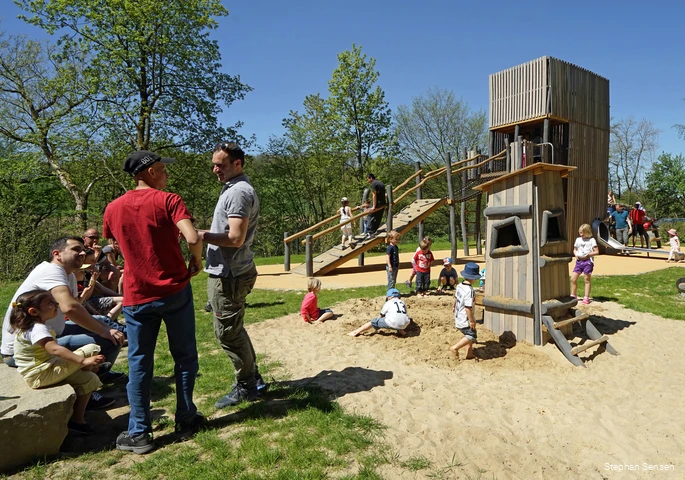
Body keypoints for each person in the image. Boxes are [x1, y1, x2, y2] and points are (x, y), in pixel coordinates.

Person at [103, 150, 204, 454]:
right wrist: (196, 260)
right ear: (148, 172)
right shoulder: (169, 200)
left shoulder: (112, 208)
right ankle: (186, 418)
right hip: (174, 290)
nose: (166, 174)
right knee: (185, 357)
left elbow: (113, 244)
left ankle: (139, 433)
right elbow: (192, 237)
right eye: (162, 169)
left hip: (137, 296)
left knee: (139, 363)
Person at [1, 236, 125, 410]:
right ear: (57, 254)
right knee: (106, 339)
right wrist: (104, 331)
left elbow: (76, 305)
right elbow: (70, 308)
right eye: (76, 249)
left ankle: (99, 372)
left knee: (105, 323)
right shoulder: (51, 270)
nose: (82, 253)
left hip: (51, 333)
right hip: (29, 348)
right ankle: (87, 390)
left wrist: (103, 325)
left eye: (83, 250)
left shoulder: (70, 275)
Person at [197, 142, 267, 409]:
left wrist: (200, 235)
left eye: (221, 165)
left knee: (227, 333)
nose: (215, 170)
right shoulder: (233, 188)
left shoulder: (238, 192)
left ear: (237, 164)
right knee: (233, 329)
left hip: (230, 274)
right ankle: (253, 378)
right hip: (231, 271)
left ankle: (247, 385)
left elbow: (235, 238)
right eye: (214, 165)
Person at [10, 289, 106, 435]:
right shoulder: (37, 329)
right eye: (50, 302)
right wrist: (83, 361)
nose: (56, 304)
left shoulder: (31, 327)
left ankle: (77, 422)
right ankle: (88, 367)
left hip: (44, 371)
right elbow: (55, 349)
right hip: (42, 374)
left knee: (89, 379)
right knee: (92, 348)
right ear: (34, 311)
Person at [449, 262, 481, 360]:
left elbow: (455, 297)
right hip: (465, 318)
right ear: (474, 278)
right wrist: (471, 320)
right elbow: (468, 308)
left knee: (467, 335)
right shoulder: (469, 290)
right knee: (472, 335)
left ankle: (469, 353)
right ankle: (455, 348)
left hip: (458, 315)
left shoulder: (459, 285)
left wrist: (454, 306)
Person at [570, 224, 599, 305]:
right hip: (579, 262)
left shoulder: (592, 240)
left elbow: (596, 251)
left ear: (588, 232)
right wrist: (576, 254)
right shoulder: (578, 240)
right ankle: (573, 295)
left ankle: (586, 297)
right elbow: (575, 249)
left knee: (586, 279)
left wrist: (588, 255)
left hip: (588, 262)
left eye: (583, 232)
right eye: (580, 232)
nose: (581, 234)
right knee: (573, 279)